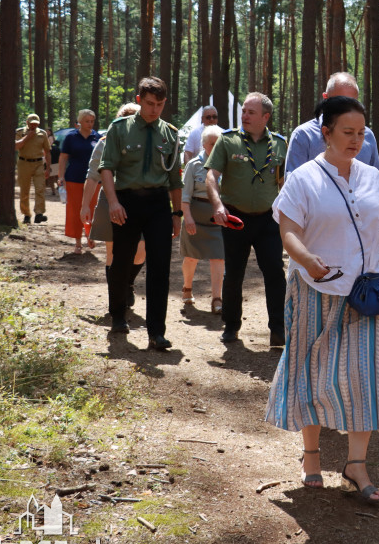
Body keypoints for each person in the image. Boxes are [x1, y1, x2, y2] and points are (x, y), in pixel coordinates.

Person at [266, 96, 379, 505]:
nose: (356, 140)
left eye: (361, 133)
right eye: (348, 132)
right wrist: (307, 260)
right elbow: (288, 231)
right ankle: (312, 457)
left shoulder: (369, 176)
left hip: (365, 296)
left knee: (363, 378)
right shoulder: (304, 178)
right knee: (310, 372)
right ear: (325, 132)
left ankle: (356, 465)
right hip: (315, 291)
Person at [98, 77, 182, 350]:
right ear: (138, 100)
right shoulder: (120, 128)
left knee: (160, 267)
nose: (154, 109)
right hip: (126, 201)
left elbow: (174, 179)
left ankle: (156, 331)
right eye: (149, 103)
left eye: (159, 104)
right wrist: (112, 202)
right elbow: (107, 167)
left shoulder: (170, 133)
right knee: (121, 261)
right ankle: (118, 315)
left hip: (158, 204)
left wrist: (177, 213)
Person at [205, 93, 288, 347]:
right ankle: (231, 326)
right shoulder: (228, 141)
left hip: (269, 220)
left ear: (265, 117)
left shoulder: (280, 144)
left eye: (251, 112)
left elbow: (285, 182)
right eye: (244, 111)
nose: (245, 116)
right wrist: (218, 205)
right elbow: (211, 176)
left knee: (274, 272)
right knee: (234, 274)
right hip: (235, 217)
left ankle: (278, 329)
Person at [81, 103, 146, 309]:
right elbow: (92, 177)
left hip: (139, 202)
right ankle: (115, 297)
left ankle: (127, 283)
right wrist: (85, 206)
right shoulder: (105, 143)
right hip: (110, 201)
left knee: (141, 250)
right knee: (113, 252)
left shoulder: (147, 142)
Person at [285, 72, 379, 179]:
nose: (346, 109)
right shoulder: (303, 135)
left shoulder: (368, 135)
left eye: (352, 103)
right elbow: (293, 183)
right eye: (339, 103)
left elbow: (378, 180)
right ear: (325, 98)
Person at [180, 124, 226, 314]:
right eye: (212, 144)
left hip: (218, 219)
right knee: (191, 257)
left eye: (219, 143)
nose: (215, 147)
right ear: (204, 144)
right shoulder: (194, 165)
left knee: (219, 258)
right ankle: (187, 288)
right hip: (195, 217)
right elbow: (185, 196)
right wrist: (187, 217)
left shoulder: (227, 164)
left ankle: (217, 299)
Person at [59, 109, 101, 254]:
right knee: (75, 210)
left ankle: (90, 236)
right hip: (74, 178)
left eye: (92, 121)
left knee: (93, 207)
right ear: (80, 122)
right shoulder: (71, 137)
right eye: (87, 121)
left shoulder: (98, 137)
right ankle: (78, 242)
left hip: (94, 179)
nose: (90, 124)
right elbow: (63, 158)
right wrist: (60, 176)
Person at [14, 113, 52, 224]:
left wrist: (48, 168)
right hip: (23, 163)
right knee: (24, 190)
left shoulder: (42, 133)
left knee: (40, 188)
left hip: (38, 164)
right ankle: (26, 215)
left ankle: (39, 214)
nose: (34, 126)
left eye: (36, 124)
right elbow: (16, 146)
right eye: (32, 124)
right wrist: (27, 137)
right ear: (27, 123)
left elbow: (47, 151)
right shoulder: (20, 132)